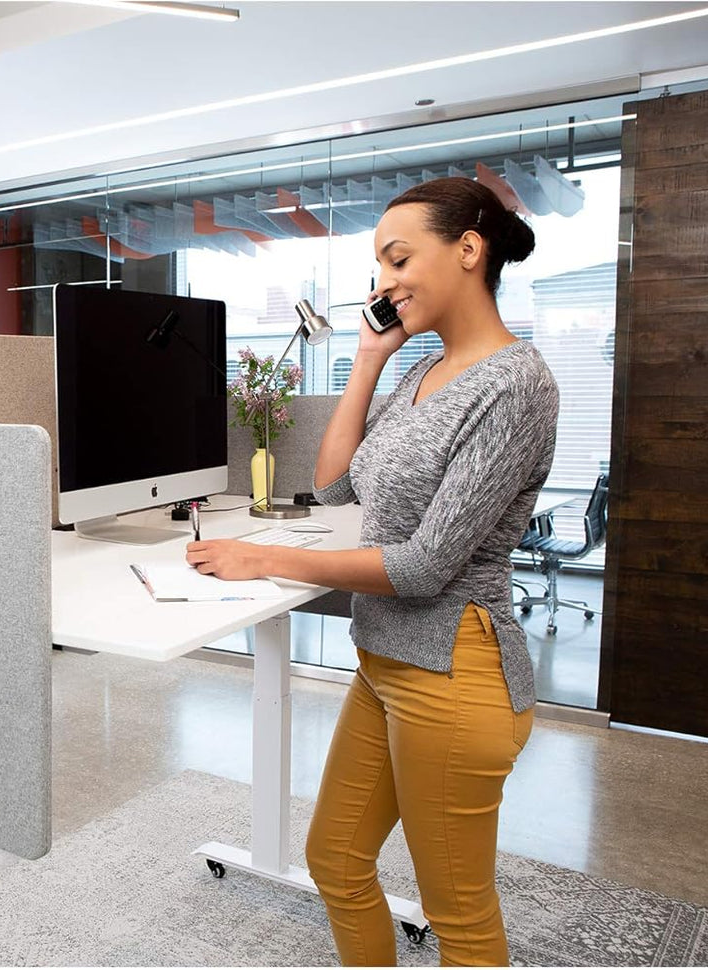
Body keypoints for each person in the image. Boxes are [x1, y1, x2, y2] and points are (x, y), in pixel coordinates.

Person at [186, 176, 559, 966]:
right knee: (334, 859)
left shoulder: (515, 384)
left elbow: (424, 565)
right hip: (384, 662)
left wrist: (263, 557)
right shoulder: (419, 370)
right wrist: (365, 358)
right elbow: (332, 486)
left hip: (452, 671)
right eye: (378, 266)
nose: (382, 283)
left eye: (397, 259)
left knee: (457, 915)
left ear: (468, 249)